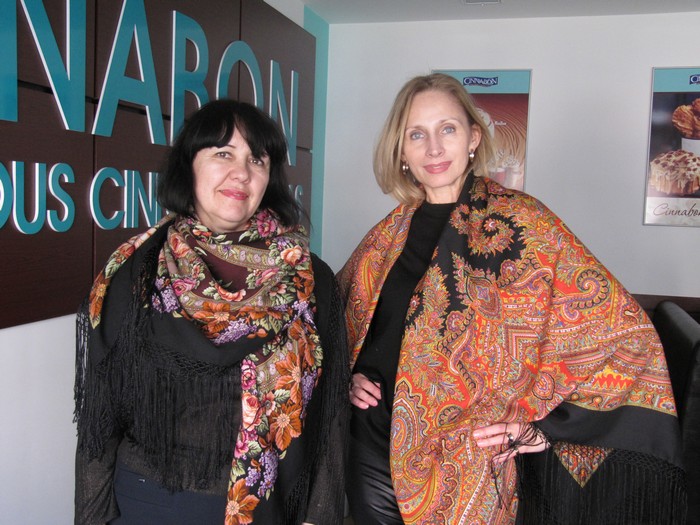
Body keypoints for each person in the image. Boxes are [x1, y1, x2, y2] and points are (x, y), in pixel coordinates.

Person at [338, 73, 687, 524]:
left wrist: (544, 429)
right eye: (416, 134)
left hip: (472, 463)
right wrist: (348, 374)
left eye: (447, 129)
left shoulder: (525, 224)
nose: (434, 148)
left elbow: (626, 335)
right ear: (401, 151)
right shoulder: (387, 235)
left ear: (473, 138)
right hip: (372, 449)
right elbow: (336, 322)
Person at [74, 99, 349, 525]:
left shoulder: (311, 281)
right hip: (148, 503)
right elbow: (102, 415)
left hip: (267, 507)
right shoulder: (139, 272)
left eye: (256, 159)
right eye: (223, 153)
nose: (241, 173)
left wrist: (319, 517)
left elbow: (329, 415)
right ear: (190, 165)